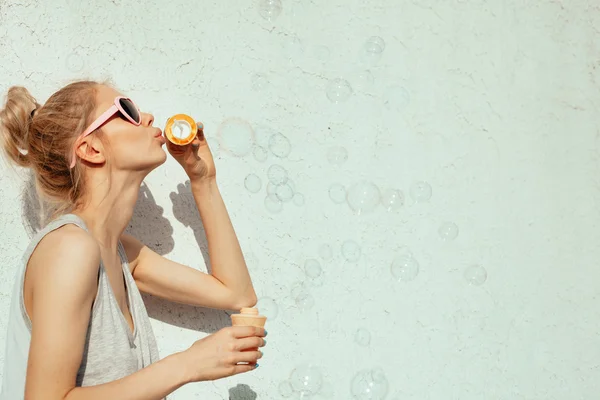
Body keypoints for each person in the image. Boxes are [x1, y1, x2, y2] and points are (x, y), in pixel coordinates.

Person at [0, 81, 266, 400]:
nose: (149, 117)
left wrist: (204, 181)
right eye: (128, 111)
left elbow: (237, 293)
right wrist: (187, 365)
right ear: (91, 149)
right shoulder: (69, 248)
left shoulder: (121, 254)